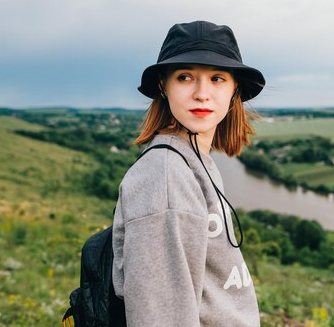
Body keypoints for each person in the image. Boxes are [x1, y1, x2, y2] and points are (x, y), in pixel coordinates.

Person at [111, 20, 266, 326]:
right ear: (163, 86)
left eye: (217, 78)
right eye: (185, 77)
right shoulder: (165, 178)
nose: (202, 93)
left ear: (234, 88)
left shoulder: (194, 162)